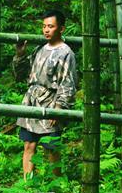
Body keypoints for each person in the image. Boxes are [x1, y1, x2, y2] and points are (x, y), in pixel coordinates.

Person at [11, 10, 77, 180]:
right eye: (44, 26)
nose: (46, 30)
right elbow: (22, 75)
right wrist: (20, 55)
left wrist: (59, 107)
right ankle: (28, 184)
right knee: (29, 144)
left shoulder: (66, 53)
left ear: (61, 29)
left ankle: (57, 185)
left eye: (51, 26)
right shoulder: (39, 48)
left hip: (51, 102)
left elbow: (68, 82)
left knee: (51, 147)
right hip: (31, 101)